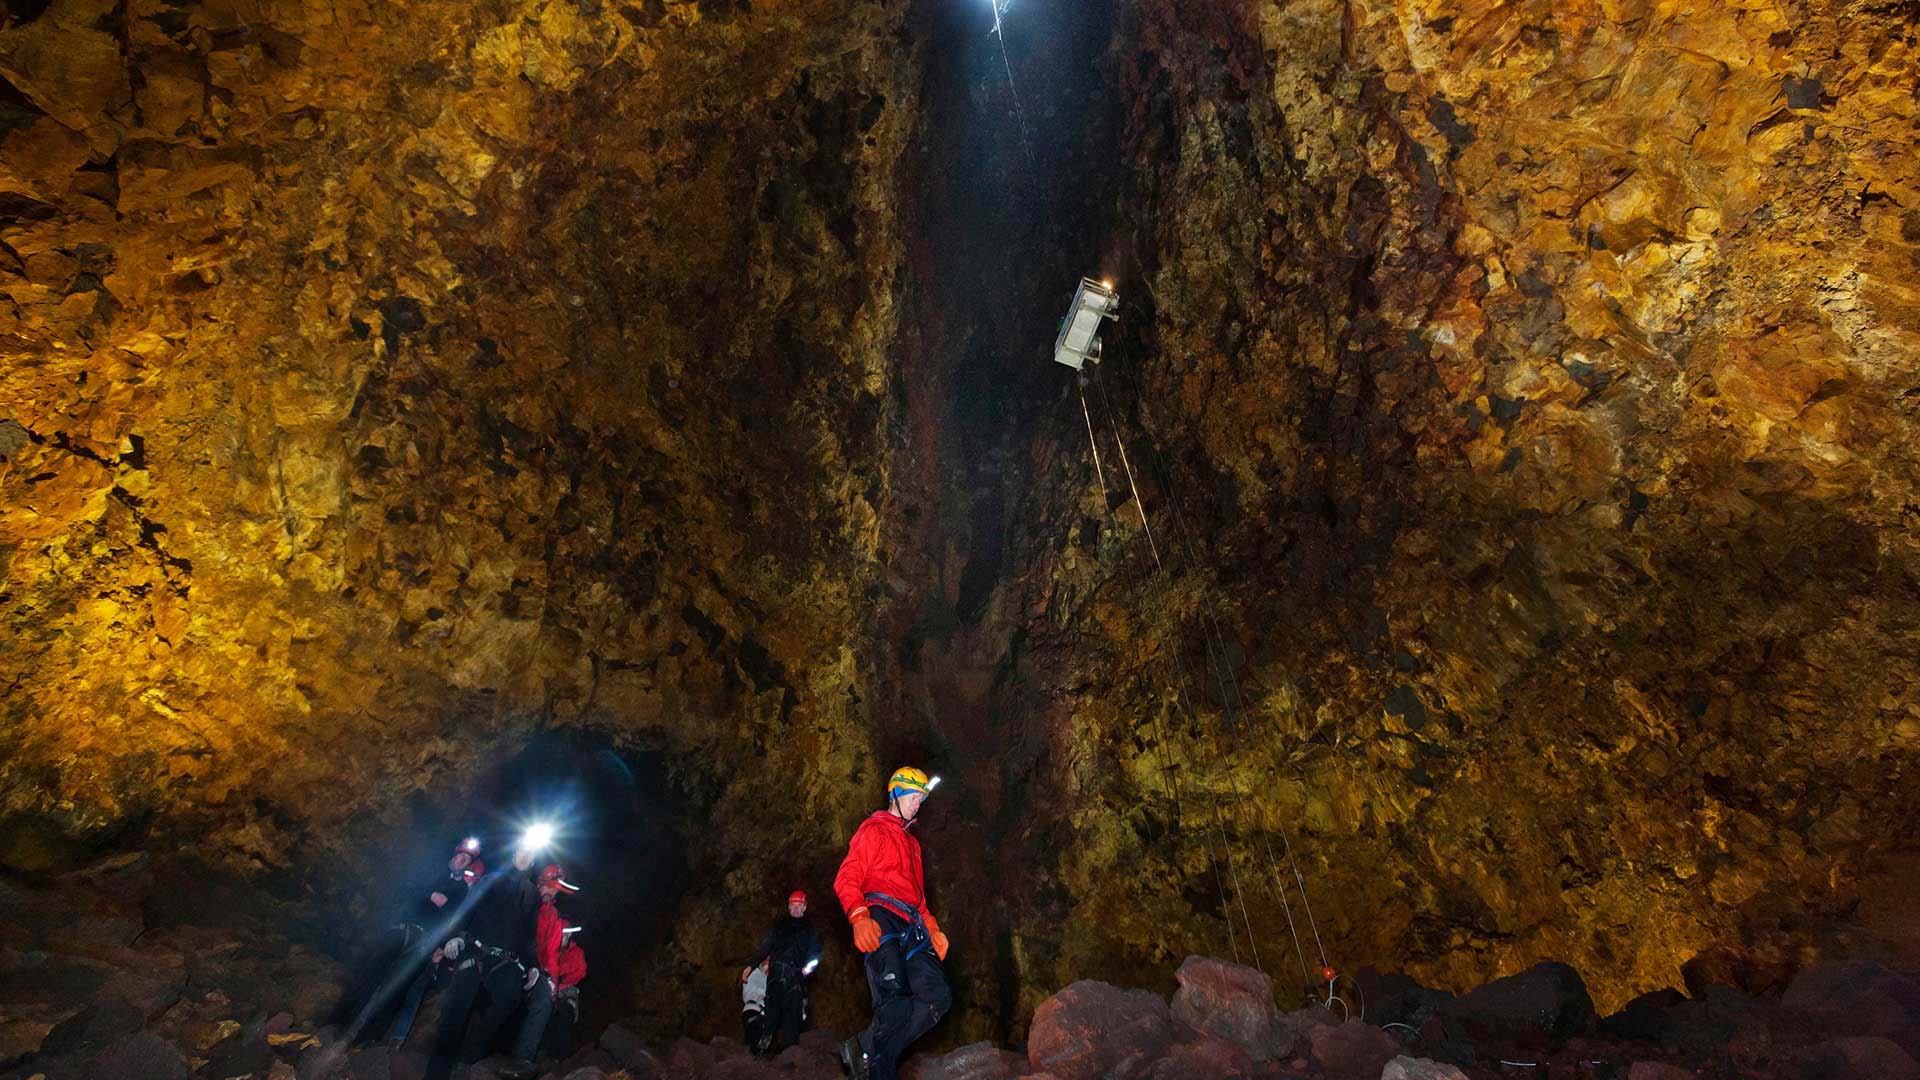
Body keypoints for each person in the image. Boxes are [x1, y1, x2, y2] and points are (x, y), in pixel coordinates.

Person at [833, 766, 950, 1080]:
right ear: (895, 794)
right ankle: (880, 1070)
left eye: (920, 799)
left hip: (912, 924)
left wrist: (932, 927)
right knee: (893, 1001)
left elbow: (919, 895)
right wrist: (859, 916)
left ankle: (865, 1046)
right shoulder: (873, 829)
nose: (917, 804)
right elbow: (847, 878)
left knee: (938, 997)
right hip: (881, 915)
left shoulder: (912, 845)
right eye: (912, 797)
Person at [338, 836, 485, 1041]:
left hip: (422, 941)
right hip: (400, 929)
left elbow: (449, 915)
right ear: (454, 855)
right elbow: (407, 887)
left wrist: (442, 944)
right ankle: (338, 1025)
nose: (462, 861)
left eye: (466, 860)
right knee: (370, 974)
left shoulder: (460, 889)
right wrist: (430, 895)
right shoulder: (433, 868)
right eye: (460, 856)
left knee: (396, 990)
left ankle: (369, 1039)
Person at [424, 839, 545, 1080]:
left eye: (529, 854)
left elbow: (529, 935)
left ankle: (468, 1060)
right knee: (456, 1008)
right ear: (513, 854)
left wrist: (533, 965)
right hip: (476, 952)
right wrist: (456, 937)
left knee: (509, 997)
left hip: (506, 961)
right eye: (521, 851)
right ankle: (436, 1074)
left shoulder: (533, 895)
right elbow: (467, 910)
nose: (524, 856)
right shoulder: (491, 880)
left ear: (532, 860)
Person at [496, 863, 582, 1079]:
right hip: (511, 960)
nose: (550, 892)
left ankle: (522, 1059)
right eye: (548, 886)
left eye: (555, 889)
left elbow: (553, 956)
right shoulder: (526, 898)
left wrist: (553, 984)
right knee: (506, 995)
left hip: (537, 971)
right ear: (540, 883)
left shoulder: (553, 915)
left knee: (545, 1000)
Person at [741, 889, 822, 1056]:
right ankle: (760, 1051)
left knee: (791, 1018)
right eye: (793, 905)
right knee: (770, 1015)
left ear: (805, 907)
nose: (796, 908)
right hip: (775, 976)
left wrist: (805, 971)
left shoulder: (810, 930)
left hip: (794, 978)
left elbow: (815, 956)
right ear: (789, 906)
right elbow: (766, 945)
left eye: (799, 905)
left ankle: (791, 1056)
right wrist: (752, 964)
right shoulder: (779, 925)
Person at [541, 923, 588, 1059]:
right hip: (547, 992)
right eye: (563, 933)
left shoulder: (577, 952)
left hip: (567, 992)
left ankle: (560, 1059)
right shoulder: (549, 949)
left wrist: (560, 975)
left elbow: (581, 972)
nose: (565, 936)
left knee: (565, 1014)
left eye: (568, 933)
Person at [742, 959, 770, 1054]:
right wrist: (766, 993)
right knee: (753, 1042)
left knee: (763, 1043)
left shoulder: (767, 978)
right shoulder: (753, 974)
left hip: (763, 1012)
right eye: (767, 964)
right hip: (752, 1010)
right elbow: (749, 993)